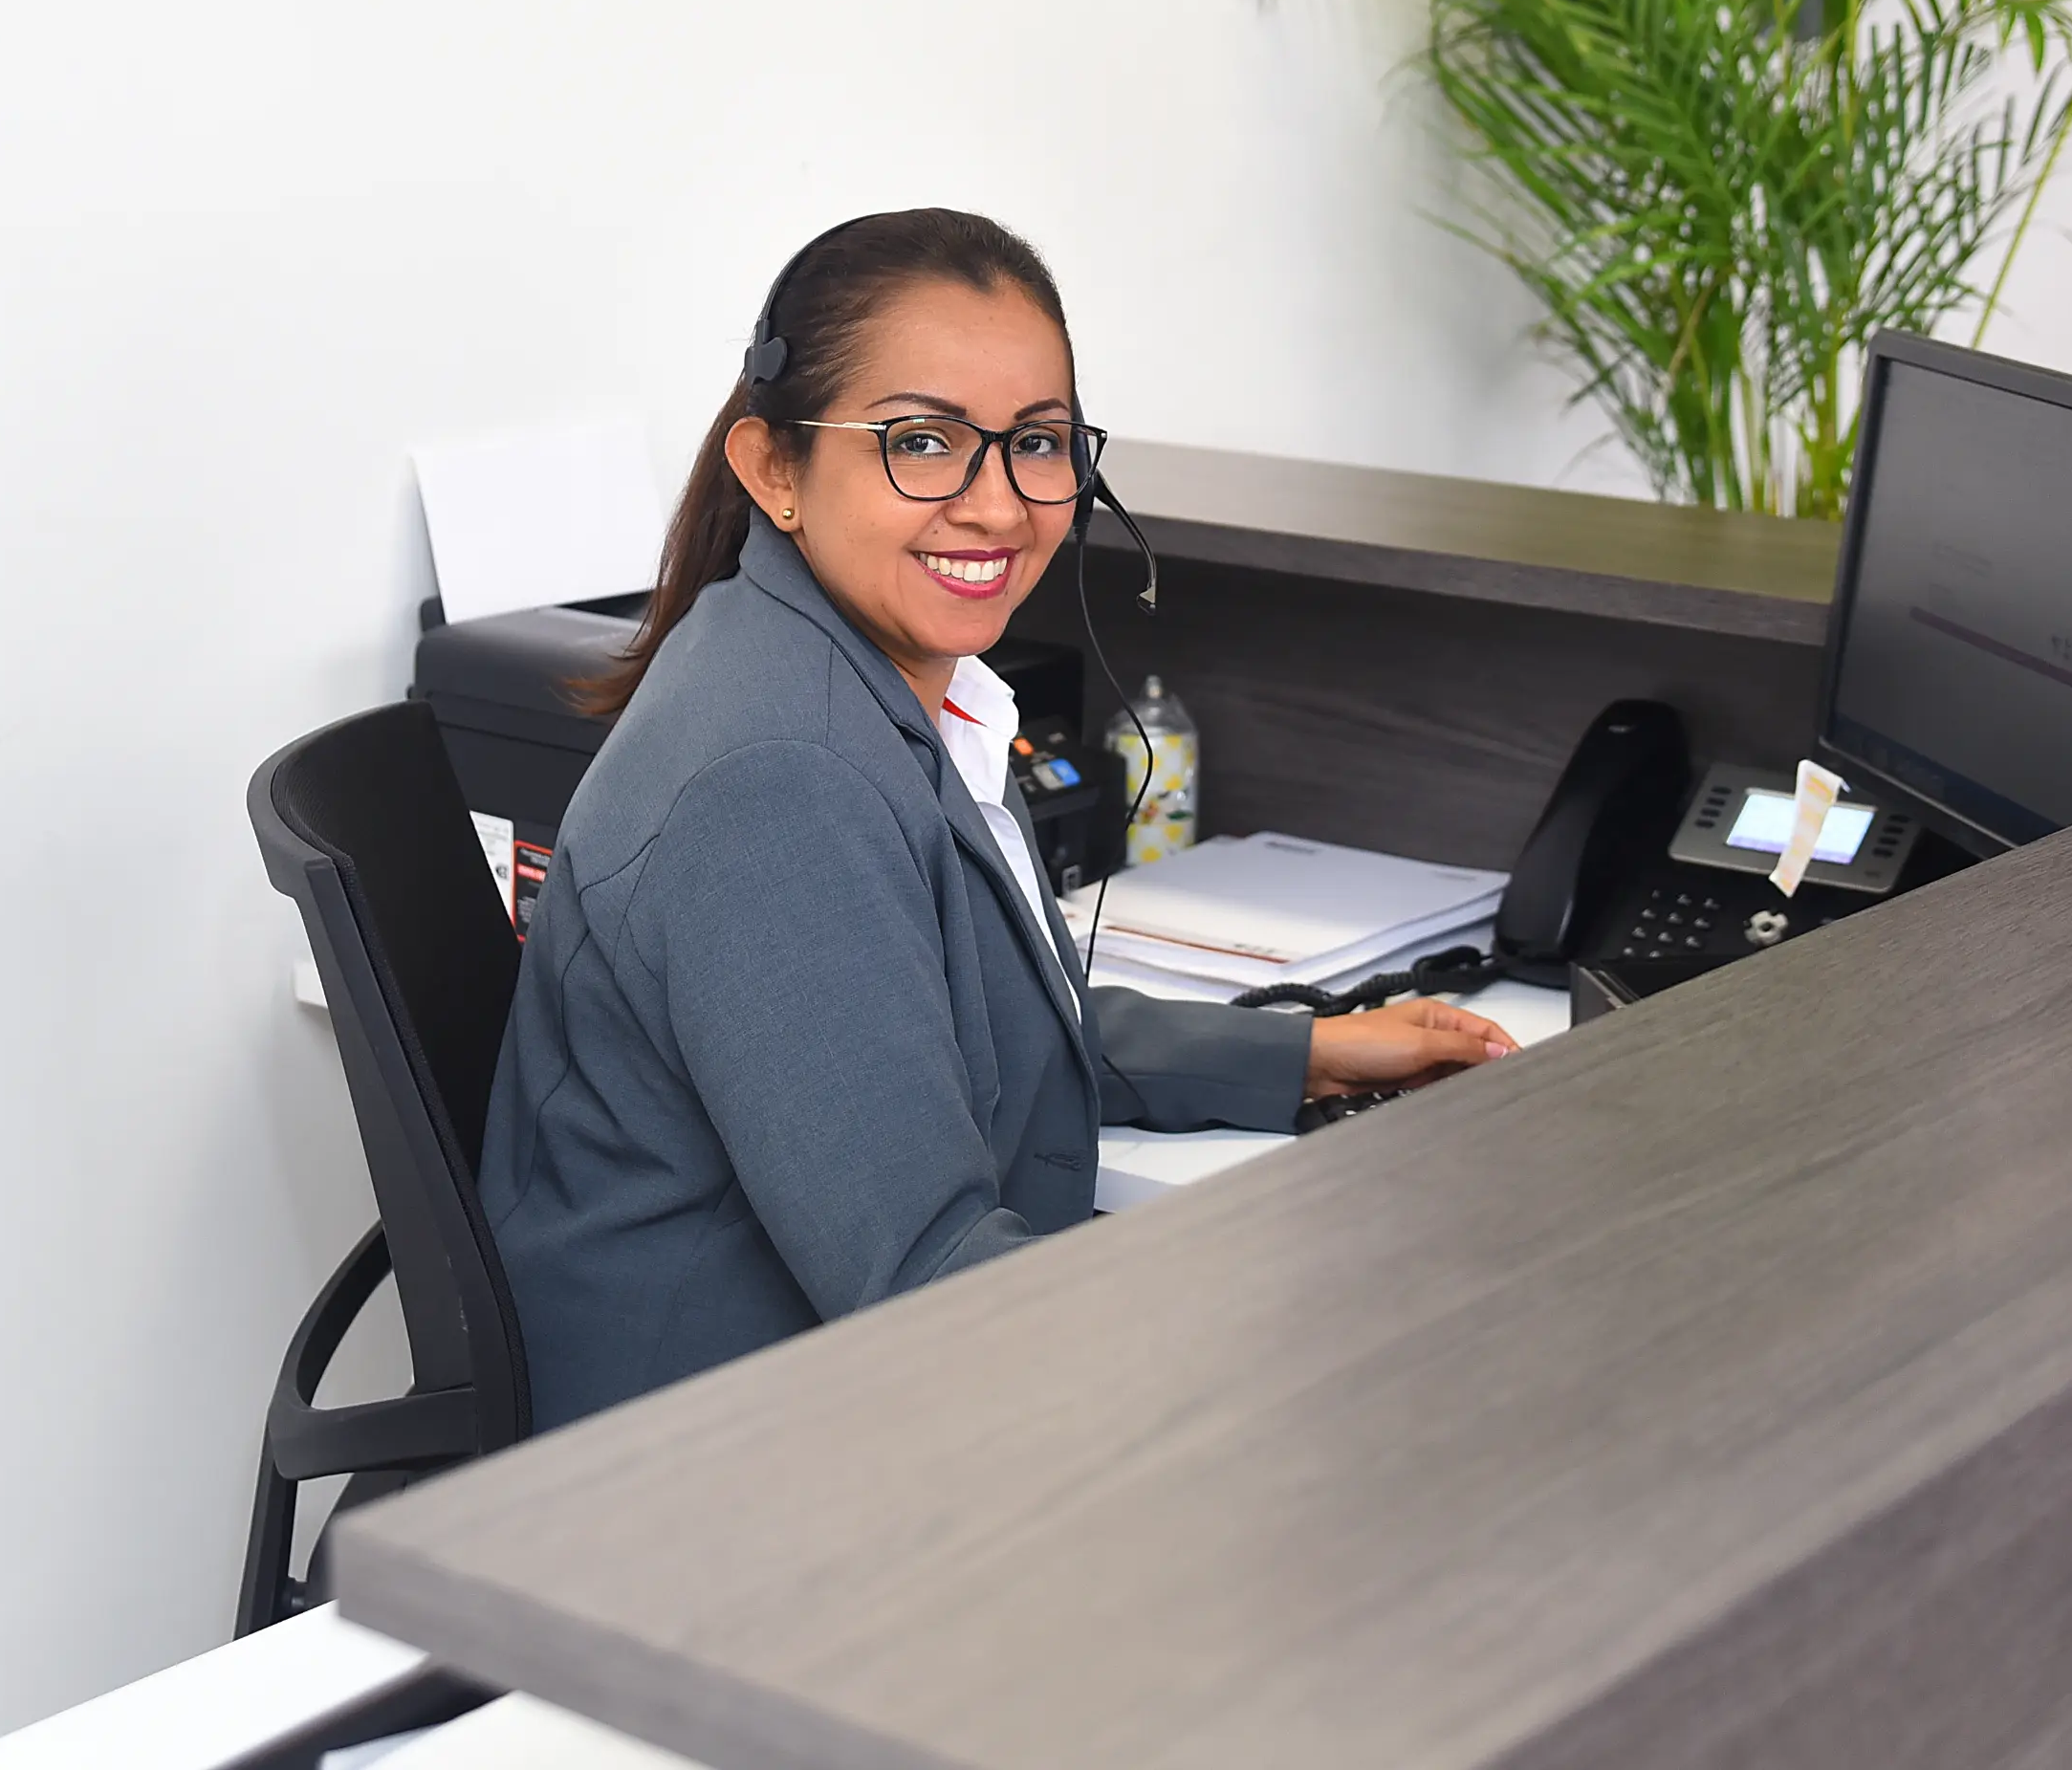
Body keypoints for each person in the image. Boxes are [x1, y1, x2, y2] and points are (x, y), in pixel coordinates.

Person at [481, 208, 1513, 1429]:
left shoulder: (871, 684)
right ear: (775, 469)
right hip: (707, 1480)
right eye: (921, 442)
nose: (997, 505)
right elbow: (930, 1279)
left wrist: (1311, 1050)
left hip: (793, 1414)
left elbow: (973, 1017)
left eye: (1038, 444)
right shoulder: (779, 776)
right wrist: (1320, 1304)